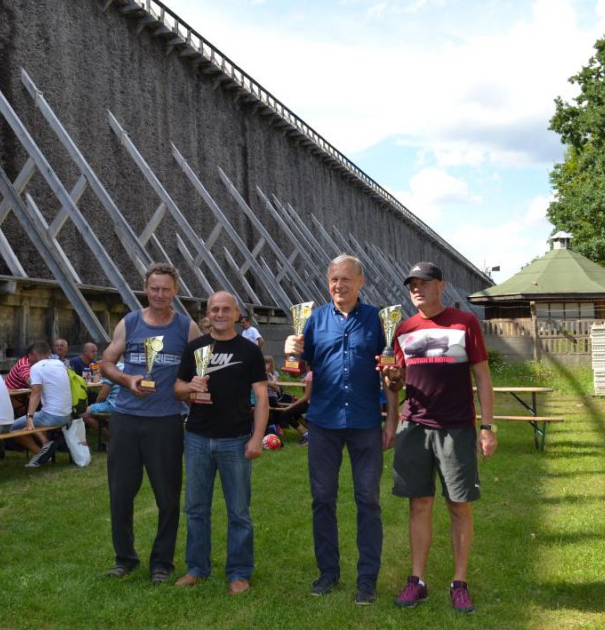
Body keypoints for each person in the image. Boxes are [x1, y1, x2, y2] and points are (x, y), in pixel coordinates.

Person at [385, 261, 497, 614]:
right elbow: (396, 381)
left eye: (424, 282)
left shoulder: (465, 323)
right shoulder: (403, 328)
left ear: (441, 286)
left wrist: (487, 426)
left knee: (458, 505)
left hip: (456, 427)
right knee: (419, 504)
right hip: (415, 426)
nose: (416, 289)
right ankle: (417, 581)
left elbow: (481, 375)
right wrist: (391, 380)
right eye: (411, 284)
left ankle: (459, 583)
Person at [284, 254, 394, 605]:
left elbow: (392, 376)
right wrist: (291, 352)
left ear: (361, 281)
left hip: (364, 423)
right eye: (333, 279)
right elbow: (297, 368)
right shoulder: (314, 320)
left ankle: (367, 580)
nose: (339, 285)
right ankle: (328, 573)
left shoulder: (378, 321)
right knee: (322, 499)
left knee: (368, 500)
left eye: (346, 279)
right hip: (324, 423)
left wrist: (391, 421)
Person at [100, 263, 202, 584]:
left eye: (166, 289)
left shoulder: (187, 328)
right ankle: (124, 558)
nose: (159, 294)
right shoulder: (129, 323)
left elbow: (202, 370)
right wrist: (128, 379)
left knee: (168, 497)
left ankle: (162, 563)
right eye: (154, 288)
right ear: (146, 289)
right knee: (121, 493)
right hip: (127, 420)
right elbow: (106, 362)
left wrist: (195, 388)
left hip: (165, 421)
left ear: (175, 291)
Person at [174, 291, 269, 595]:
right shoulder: (194, 348)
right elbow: (177, 388)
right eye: (214, 309)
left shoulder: (249, 350)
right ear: (208, 313)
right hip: (198, 437)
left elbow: (263, 398)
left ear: (237, 313)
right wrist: (190, 386)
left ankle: (239, 572)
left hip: (236, 440)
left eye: (225, 309)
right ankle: (196, 568)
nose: (219, 313)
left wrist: (257, 437)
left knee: (239, 511)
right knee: (195, 507)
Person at [9, 341, 73, 468]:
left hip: (52, 416)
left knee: (10, 428)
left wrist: (29, 418)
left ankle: (41, 452)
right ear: (49, 353)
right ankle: (45, 446)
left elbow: (35, 393)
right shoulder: (59, 364)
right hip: (67, 414)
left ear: (33, 354)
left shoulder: (36, 367)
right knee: (37, 418)